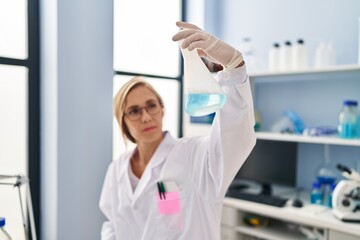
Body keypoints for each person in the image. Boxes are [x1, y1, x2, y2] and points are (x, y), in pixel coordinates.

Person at [99, 21, 256, 240]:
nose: (145, 117)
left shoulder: (195, 156)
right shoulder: (117, 170)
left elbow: (236, 135)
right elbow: (111, 224)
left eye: (151, 106)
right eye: (134, 111)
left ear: (162, 110)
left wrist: (233, 65)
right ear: (122, 121)